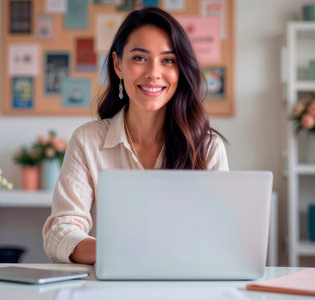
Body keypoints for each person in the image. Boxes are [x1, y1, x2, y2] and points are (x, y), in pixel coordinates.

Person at [42, 6, 229, 264]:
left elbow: (220, 236)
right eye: (140, 58)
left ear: (181, 69)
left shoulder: (207, 147)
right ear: (118, 64)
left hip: (185, 283)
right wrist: (120, 253)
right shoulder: (88, 140)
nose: (154, 73)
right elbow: (60, 232)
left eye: (168, 60)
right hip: (112, 284)